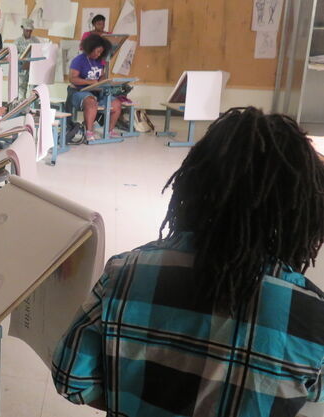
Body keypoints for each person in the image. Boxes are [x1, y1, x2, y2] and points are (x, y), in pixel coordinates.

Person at [52, 107, 324, 417]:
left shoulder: (124, 273)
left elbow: (71, 379)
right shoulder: (312, 315)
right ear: (302, 208)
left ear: (191, 183)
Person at [68, 34, 121, 141]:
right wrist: (89, 82)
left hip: (96, 92)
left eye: (101, 52)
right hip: (79, 92)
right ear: (90, 48)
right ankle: (89, 132)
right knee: (91, 102)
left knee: (116, 104)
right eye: (97, 51)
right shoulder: (79, 60)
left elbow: (101, 75)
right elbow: (72, 79)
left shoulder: (99, 61)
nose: (99, 54)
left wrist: (102, 81)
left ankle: (109, 130)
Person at [14, 18, 40, 99]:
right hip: (22, 70)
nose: (28, 32)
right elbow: (13, 56)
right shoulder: (18, 41)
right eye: (26, 30)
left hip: (33, 70)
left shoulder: (36, 41)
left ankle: (33, 110)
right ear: (23, 29)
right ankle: (22, 110)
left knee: (34, 92)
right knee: (21, 92)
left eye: (30, 30)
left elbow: (39, 55)